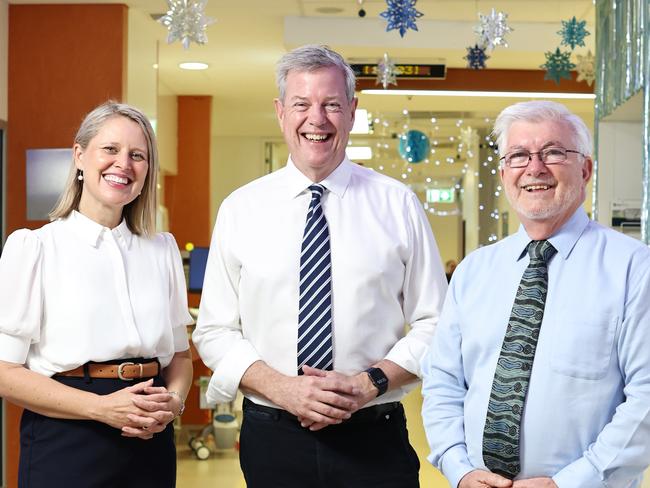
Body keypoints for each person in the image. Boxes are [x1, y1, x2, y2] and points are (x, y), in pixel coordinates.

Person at [193, 44, 447, 487]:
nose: (318, 118)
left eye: (331, 104)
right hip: (273, 438)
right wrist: (284, 389)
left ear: (351, 110)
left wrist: (369, 382)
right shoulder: (240, 209)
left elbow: (437, 324)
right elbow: (214, 331)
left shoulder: (398, 204)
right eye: (302, 104)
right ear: (280, 112)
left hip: (375, 435)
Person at [421, 100, 650, 488]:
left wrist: (573, 482)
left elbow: (646, 397)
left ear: (586, 169)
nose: (535, 168)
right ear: (505, 172)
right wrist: (460, 469)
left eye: (553, 152)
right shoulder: (474, 272)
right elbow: (443, 380)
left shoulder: (634, 268)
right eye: (518, 155)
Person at [0, 101, 194, 487]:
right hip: (69, 440)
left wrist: (173, 402)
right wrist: (102, 408)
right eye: (110, 149)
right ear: (79, 156)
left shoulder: (162, 249)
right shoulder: (34, 248)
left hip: (150, 440)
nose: (124, 163)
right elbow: (5, 373)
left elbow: (180, 357)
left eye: (137, 155)